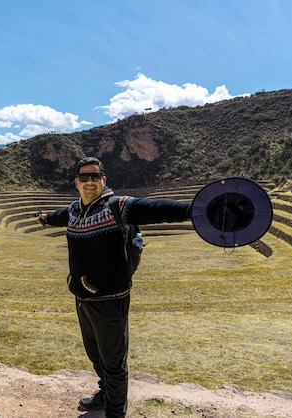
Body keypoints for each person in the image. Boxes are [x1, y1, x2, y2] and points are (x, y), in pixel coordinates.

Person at [37, 156, 191, 418]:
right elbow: (55, 217)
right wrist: (43, 218)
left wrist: (194, 210)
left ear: (103, 180)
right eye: (84, 177)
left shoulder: (117, 206)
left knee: (114, 362)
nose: (89, 181)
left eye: (94, 177)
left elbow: (157, 209)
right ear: (76, 182)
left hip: (110, 301)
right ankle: (105, 394)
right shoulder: (74, 210)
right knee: (96, 355)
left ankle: (115, 412)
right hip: (83, 299)